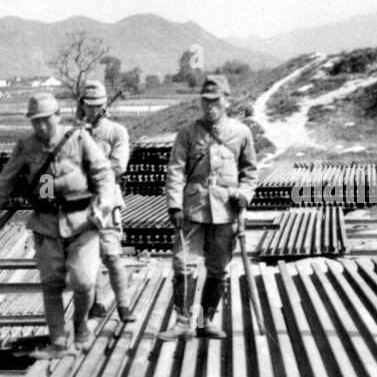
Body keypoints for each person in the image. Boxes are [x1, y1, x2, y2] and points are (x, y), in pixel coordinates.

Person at [0, 91, 118, 357]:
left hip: (83, 222)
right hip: (46, 222)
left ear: (58, 116)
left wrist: (104, 204)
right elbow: (7, 178)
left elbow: (103, 173)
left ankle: (80, 325)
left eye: (46, 120)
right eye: (36, 121)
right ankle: (58, 341)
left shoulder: (78, 138)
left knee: (84, 281)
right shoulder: (26, 145)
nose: (42, 126)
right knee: (51, 284)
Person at [159, 74, 259, 340]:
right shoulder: (188, 132)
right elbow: (175, 171)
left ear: (227, 100)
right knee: (183, 267)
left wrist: (245, 195)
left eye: (215, 101)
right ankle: (182, 323)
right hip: (192, 209)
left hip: (226, 211)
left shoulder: (241, 132)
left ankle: (205, 321)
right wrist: (174, 206)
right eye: (205, 101)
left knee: (218, 269)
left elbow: (250, 172)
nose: (209, 106)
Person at [76, 80, 135, 323]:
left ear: (104, 106)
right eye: (88, 105)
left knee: (111, 255)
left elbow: (118, 166)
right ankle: (96, 304)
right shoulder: (74, 133)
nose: (93, 109)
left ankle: (123, 306)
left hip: (107, 202)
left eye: (97, 105)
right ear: (82, 105)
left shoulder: (116, 132)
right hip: (78, 203)